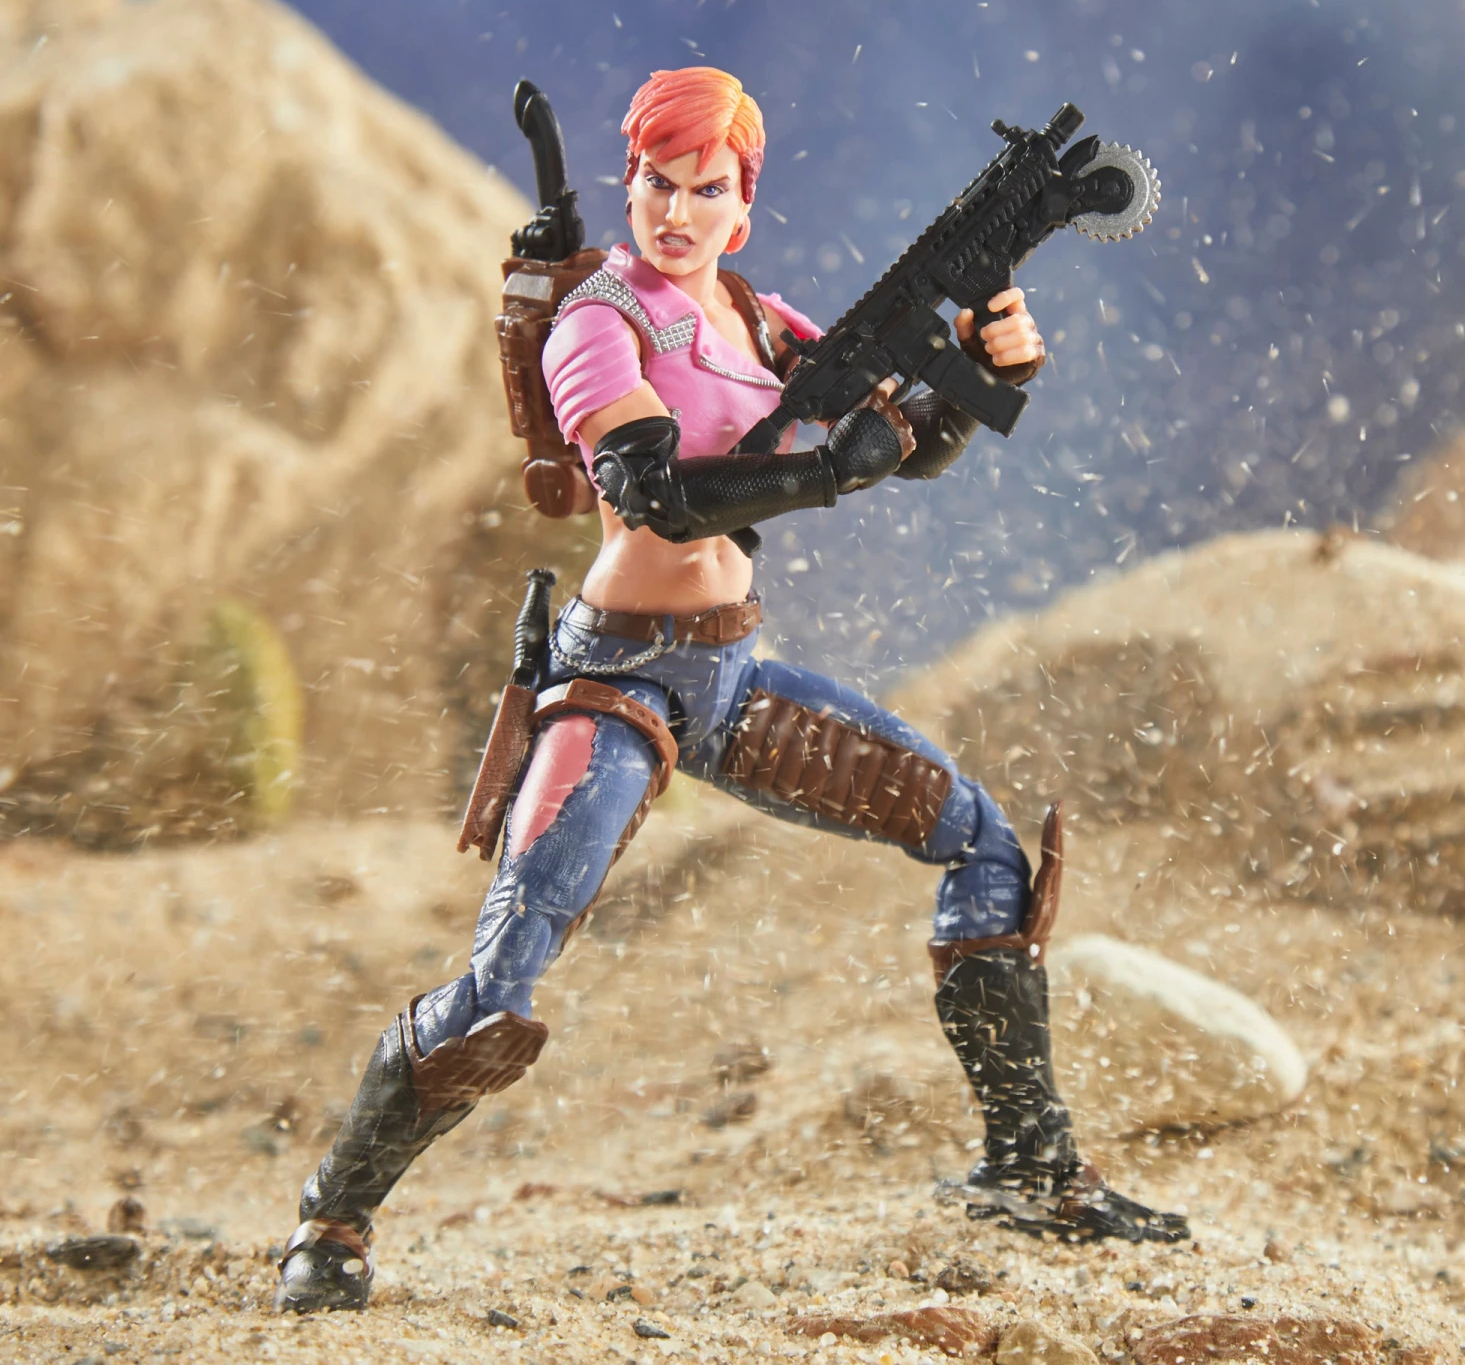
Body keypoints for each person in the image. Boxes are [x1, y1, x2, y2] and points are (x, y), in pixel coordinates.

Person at [274, 67, 1187, 1314]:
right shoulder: (599, 322)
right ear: (630, 183)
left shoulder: (756, 317)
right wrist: (828, 476)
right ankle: (333, 1216)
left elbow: (905, 445)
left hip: (732, 674)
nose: (678, 211)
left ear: (742, 207)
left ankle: (1030, 1167)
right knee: (503, 982)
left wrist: (987, 373)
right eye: (659, 182)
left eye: (708, 190)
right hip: (618, 682)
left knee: (983, 849)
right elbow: (654, 493)